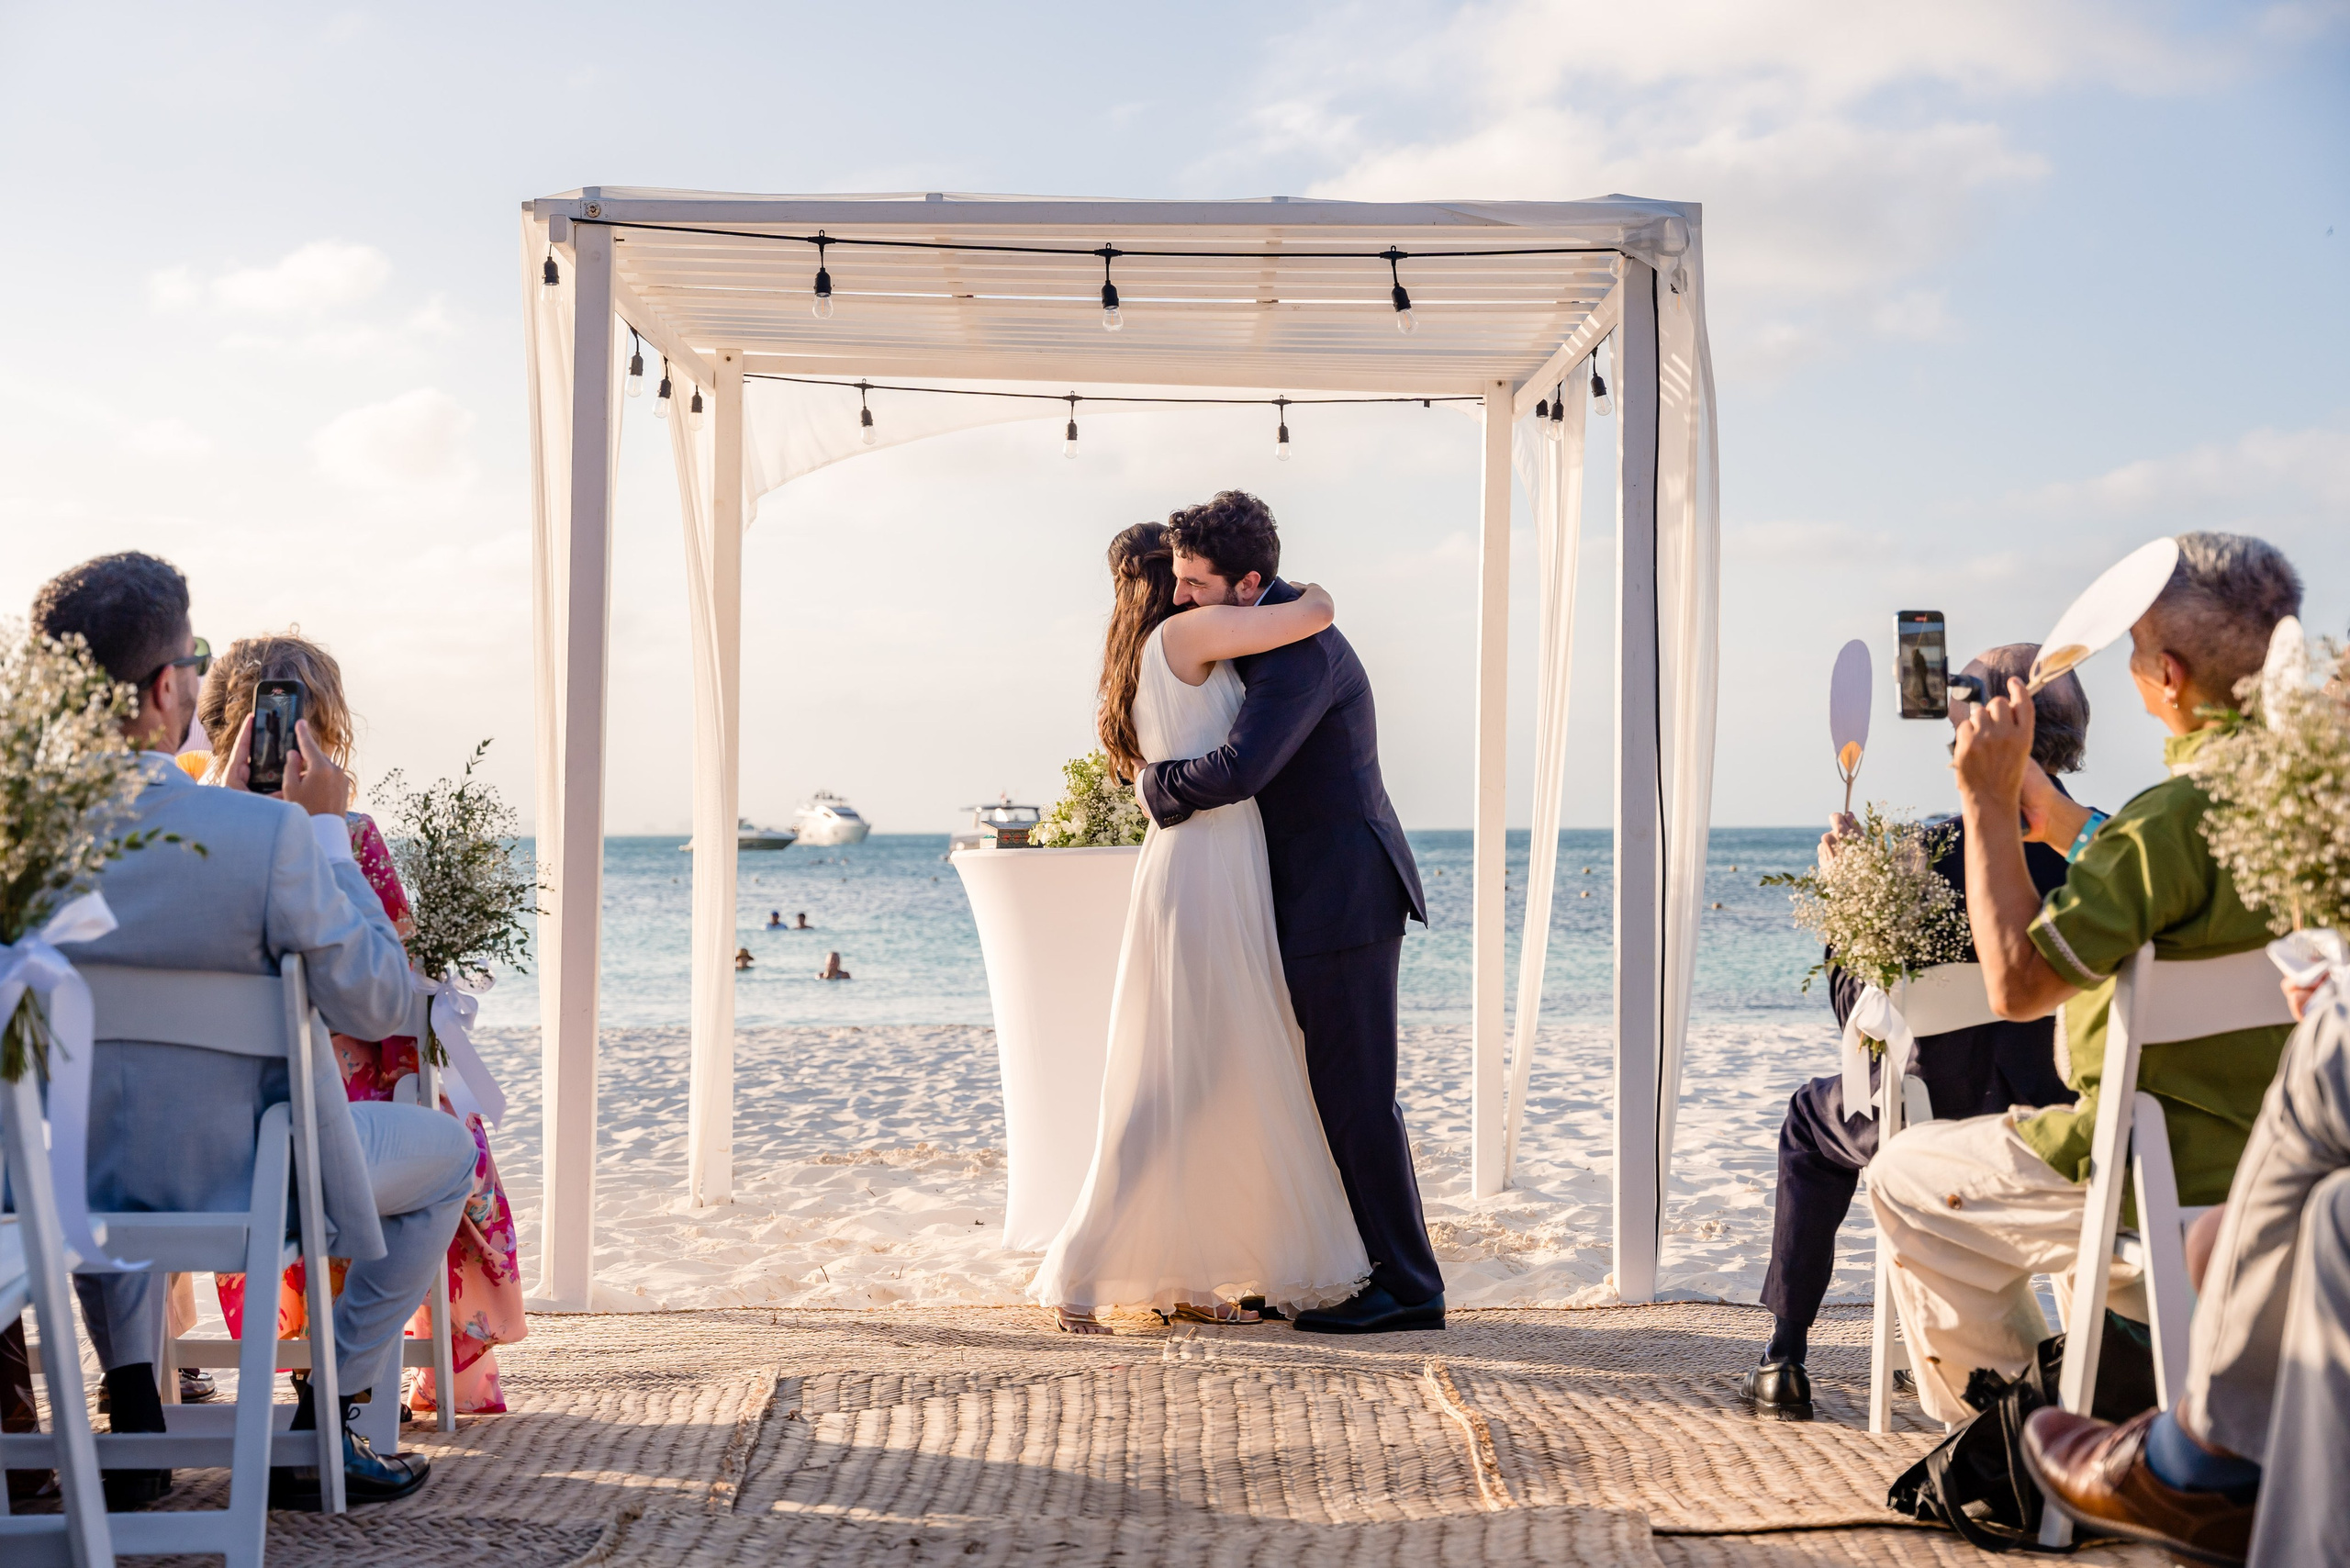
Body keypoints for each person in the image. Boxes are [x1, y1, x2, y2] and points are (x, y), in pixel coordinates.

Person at [31, 552, 476, 1510]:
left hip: (64, 1184)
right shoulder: (260, 840)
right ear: (164, 690)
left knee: (112, 1139)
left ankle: (134, 1404)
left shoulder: (17, 844)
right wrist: (317, 833)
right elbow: (382, 1003)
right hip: (259, 1183)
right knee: (446, 1160)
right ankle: (326, 1414)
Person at [1867, 532, 2302, 1427]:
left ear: (2168, 677)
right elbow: (2169, 863)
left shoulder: (2167, 824)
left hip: (2151, 1185)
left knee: (1905, 1174)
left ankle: (2033, 1440)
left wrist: (1987, 805)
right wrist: (2057, 816)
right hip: (2296, 1185)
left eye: (2137, 654)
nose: (2134, 671)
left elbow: (2019, 986)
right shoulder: (2307, 806)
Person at [1032, 513, 1373, 1334]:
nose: (1189, 584)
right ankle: (1081, 1267)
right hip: (1211, 863)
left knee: (1203, 1072)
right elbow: (1315, 611)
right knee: (1175, 1073)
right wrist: (1313, 586)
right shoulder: (1189, 633)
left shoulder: (1139, 653)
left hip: (1201, 860)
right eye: (1180, 573)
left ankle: (1180, 1269)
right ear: (1165, 577)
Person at [1744, 644, 2090, 1419]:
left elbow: (1861, 1018)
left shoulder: (1925, 854)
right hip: (2065, 1117)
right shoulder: (2109, 857)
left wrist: (1843, 904)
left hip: (1925, 1122)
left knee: (1809, 1124)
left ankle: (1784, 1353)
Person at [1136, 490, 1442, 1336]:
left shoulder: (1299, 648)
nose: (1180, 598)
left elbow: (1242, 768)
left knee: (1357, 1096)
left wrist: (1155, 787)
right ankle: (1339, 1267)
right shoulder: (1270, 624)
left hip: (1344, 891)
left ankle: (1411, 1286)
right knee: (1320, 1091)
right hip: (1309, 892)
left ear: (1247, 583)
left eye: (1195, 583)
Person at [197, 635, 526, 1418]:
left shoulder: (185, 837)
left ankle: (146, 1379)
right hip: (331, 1122)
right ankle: (359, 1373)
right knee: (451, 1145)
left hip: (204, 1134)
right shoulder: (347, 838)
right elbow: (384, 988)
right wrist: (327, 831)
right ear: (331, 731)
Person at [2024, 942, 2349, 1567]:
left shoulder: (2141, 856)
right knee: (2329, 1209)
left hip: (2129, 1164)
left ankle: (2198, 1453)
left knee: (1901, 1179)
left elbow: (2017, 990)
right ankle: (2217, 1461)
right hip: (2222, 1172)